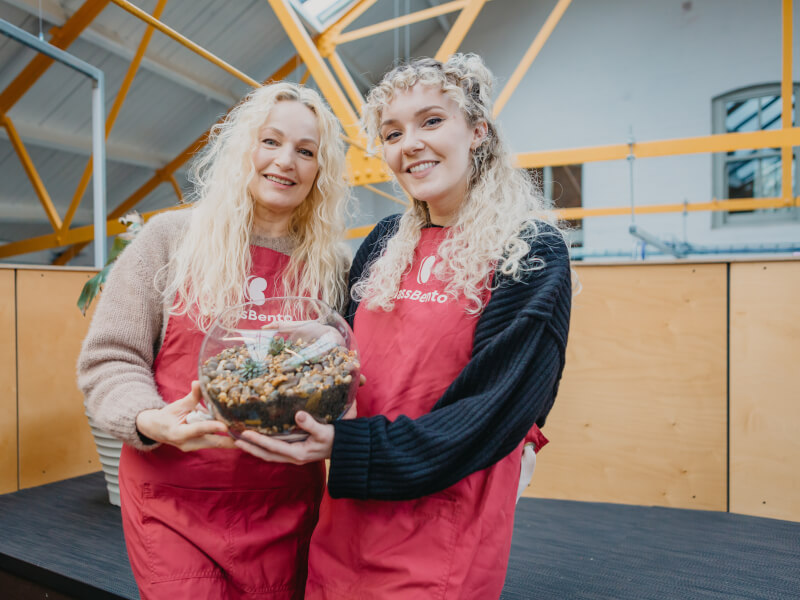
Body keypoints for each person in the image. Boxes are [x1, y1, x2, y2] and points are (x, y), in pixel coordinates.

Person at [237, 54, 572, 599]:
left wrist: (345, 449)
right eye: (392, 133)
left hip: (443, 523)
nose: (409, 143)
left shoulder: (530, 250)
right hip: (347, 516)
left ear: (478, 130)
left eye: (432, 121)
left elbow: (492, 411)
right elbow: (345, 355)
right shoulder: (385, 240)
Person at [77, 81, 351, 600]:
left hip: (285, 501)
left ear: (321, 171)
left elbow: (349, 373)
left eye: (306, 151)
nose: (285, 161)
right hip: (173, 498)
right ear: (243, 147)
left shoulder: (331, 266)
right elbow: (110, 358)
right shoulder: (170, 239)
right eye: (270, 142)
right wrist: (145, 418)